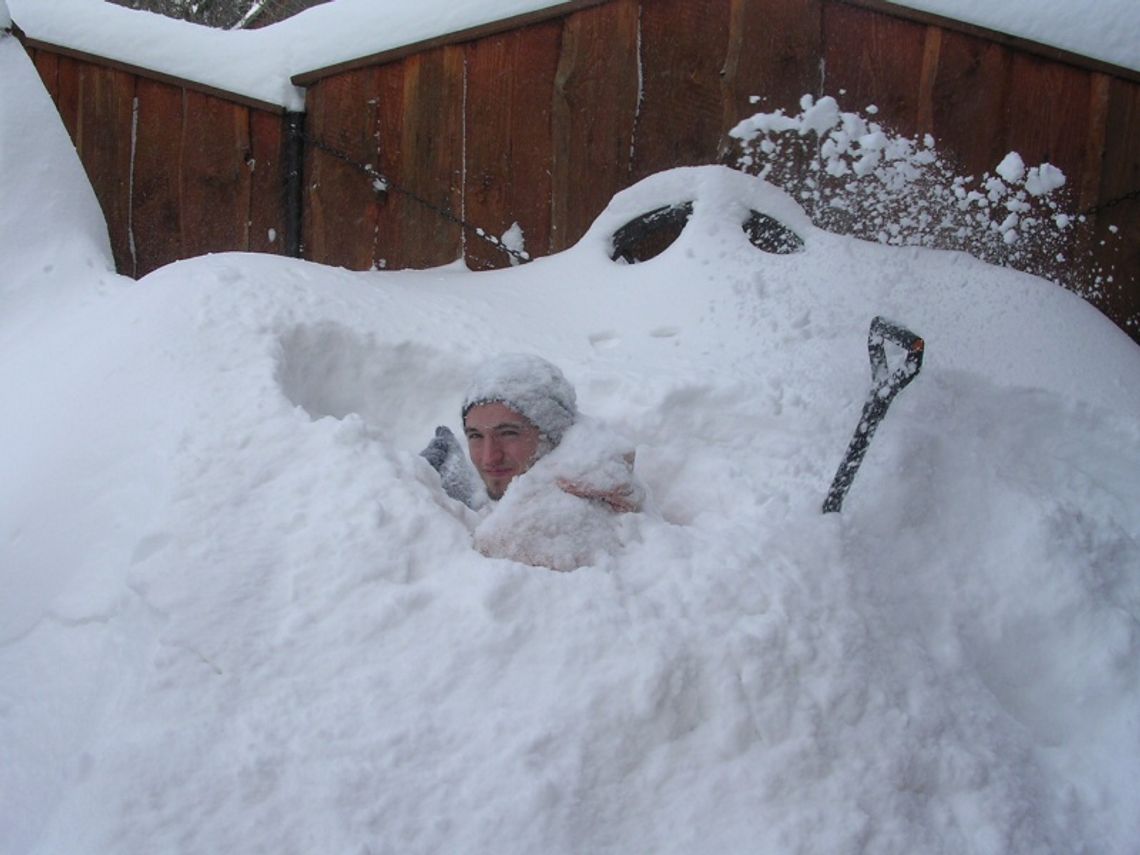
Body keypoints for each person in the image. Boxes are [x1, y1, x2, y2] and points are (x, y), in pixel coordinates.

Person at [420, 353, 642, 513]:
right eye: (476, 436)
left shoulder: (563, 525)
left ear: (554, 435)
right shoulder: (545, 492)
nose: (489, 457)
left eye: (508, 433)